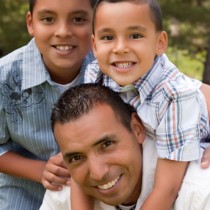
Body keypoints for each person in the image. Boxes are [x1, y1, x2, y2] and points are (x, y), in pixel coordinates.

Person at [80, 0, 210, 209]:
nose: (120, 48)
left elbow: (166, 189)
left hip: (184, 156)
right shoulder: (95, 74)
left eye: (135, 36)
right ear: (94, 46)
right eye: (108, 37)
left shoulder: (174, 94)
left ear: (160, 42)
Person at [39, 83, 210, 210]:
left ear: (137, 129)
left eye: (107, 144)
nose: (98, 173)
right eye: (76, 157)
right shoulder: (62, 192)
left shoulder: (200, 191)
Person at [0, 0, 96, 209]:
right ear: (31, 23)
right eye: (48, 19)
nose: (63, 31)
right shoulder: (4, 76)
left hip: (94, 194)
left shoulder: (109, 71)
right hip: (24, 197)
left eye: (78, 19)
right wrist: (40, 170)